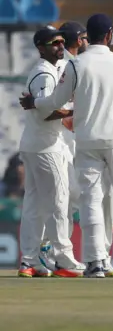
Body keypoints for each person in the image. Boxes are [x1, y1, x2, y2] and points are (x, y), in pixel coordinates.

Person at [19, 14, 113, 278]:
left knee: (90, 200)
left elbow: (54, 100)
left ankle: (95, 262)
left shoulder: (75, 65)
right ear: (108, 35)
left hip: (86, 141)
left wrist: (34, 103)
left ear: (89, 37)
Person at [17, 26, 85, 278]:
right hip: (47, 146)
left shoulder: (53, 69)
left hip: (36, 144)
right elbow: (47, 113)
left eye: (60, 42)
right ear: (39, 48)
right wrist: (73, 112)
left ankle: (29, 261)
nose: (59, 46)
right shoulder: (45, 74)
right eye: (53, 43)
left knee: (34, 206)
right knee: (59, 202)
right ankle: (63, 259)